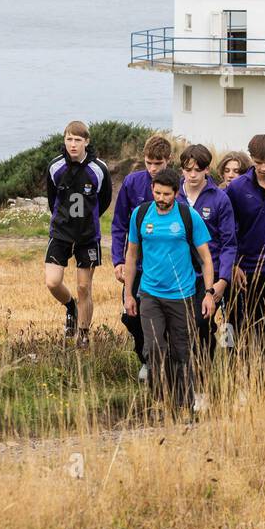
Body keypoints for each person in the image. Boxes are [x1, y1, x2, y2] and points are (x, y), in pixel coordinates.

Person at [122, 168, 216, 419]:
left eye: (166, 194)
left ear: (176, 192)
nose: (161, 198)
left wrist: (208, 293)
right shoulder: (140, 215)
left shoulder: (188, 216)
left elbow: (206, 259)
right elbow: (131, 256)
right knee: (153, 348)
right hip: (150, 294)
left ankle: (184, 405)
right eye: (157, 192)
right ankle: (161, 401)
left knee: (182, 351)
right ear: (152, 189)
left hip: (183, 294)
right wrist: (128, 294)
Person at [44, 120, 113, 348]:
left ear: (87, 142)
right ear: (64, 140)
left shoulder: (99, 169)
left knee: (84, 287)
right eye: (69, 139)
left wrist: (87, 219)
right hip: (61, 231)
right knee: (53, 282)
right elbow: (52, 199)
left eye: (78, 140)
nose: (73, 144)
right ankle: (71, 307)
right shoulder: (55, 167)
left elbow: (104, 200)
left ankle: (83, 334)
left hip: (88, 235)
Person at [111, 132, 172, 377]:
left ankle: (165, 363)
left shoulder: (176, 185)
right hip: (137, 265)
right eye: (149, 163)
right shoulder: (132, 183)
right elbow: (118, 226)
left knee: (166, 316)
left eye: (159, 163)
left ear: (169, 160)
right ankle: (145, 359)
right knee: (132, 315)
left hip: (167, 265)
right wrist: (118, 260)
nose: (154, 168)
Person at [178, 144, 238, 350]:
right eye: (188, 170)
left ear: (206, 170)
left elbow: (229, 243)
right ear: (182, 170)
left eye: (198, 169)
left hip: (208, 273)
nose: (193, 174)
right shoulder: (173, 197)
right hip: (178, 272)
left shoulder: (220, 199)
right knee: (180, 326)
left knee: (202, 321)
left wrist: (223, 280)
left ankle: (205, 370)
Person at [225, 134, 265, 334]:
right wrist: (232, 264)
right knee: (233, 322)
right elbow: (227, 229)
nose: (264, 168)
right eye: (258, 163)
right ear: (251, 159)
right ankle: (231, 360)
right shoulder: (236, 187)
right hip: (244, 268)